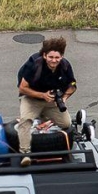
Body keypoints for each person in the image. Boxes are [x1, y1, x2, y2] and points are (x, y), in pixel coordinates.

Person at [16, 36, 77, 166]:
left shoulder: (65, 65)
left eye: (57, 58)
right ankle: (25, 154)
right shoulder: (34, 64)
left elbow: (72, 85)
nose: (54, 60)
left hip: (52, 101)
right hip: (32, 98)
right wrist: (42, 95)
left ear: (61, 57)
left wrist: (64, 98)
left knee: (66, 123)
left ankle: (43, 118)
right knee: (25, 121)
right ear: (44, 55)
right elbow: (22, 88)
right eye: (51, 57)